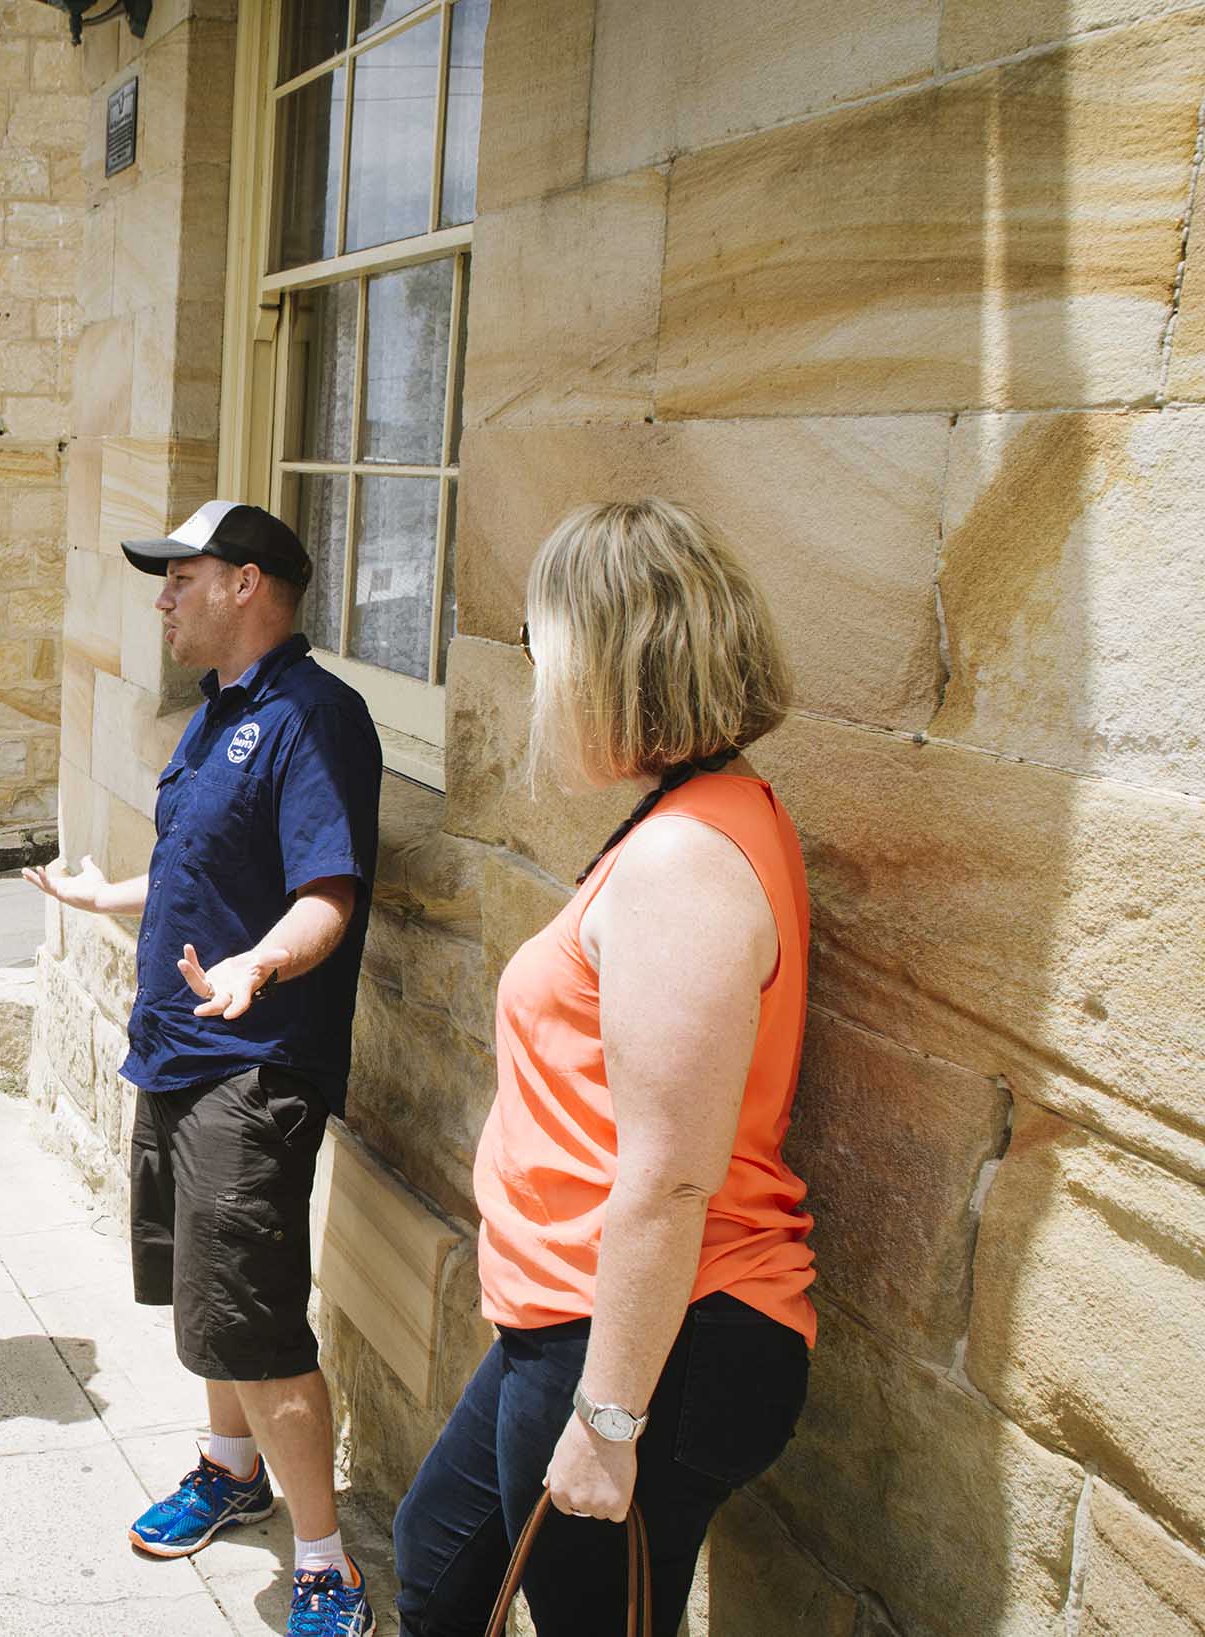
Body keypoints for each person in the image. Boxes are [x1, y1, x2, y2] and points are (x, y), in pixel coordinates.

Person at [390, 498, 814, 1636]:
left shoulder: (685, 855)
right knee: (436, 1556)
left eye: (542, 653)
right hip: (576, 1319)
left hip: (646, 1341)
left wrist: (610, 1416)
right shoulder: (681, 817)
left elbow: (672, 1173)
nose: (533, 686)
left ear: (609, 659)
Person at [24, 500, 382, 1637]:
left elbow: (326, 892)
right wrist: (109, 895)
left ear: (246, 583)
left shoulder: (316, 718)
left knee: (258, 1317)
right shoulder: (219, 711)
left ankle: (324, 1562)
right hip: (178, 1050)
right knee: (205, 1303)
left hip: (252, 1061)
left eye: (180, 576)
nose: (163, 597)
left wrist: (260, 967)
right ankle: (230, 1469)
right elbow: (207, 868)